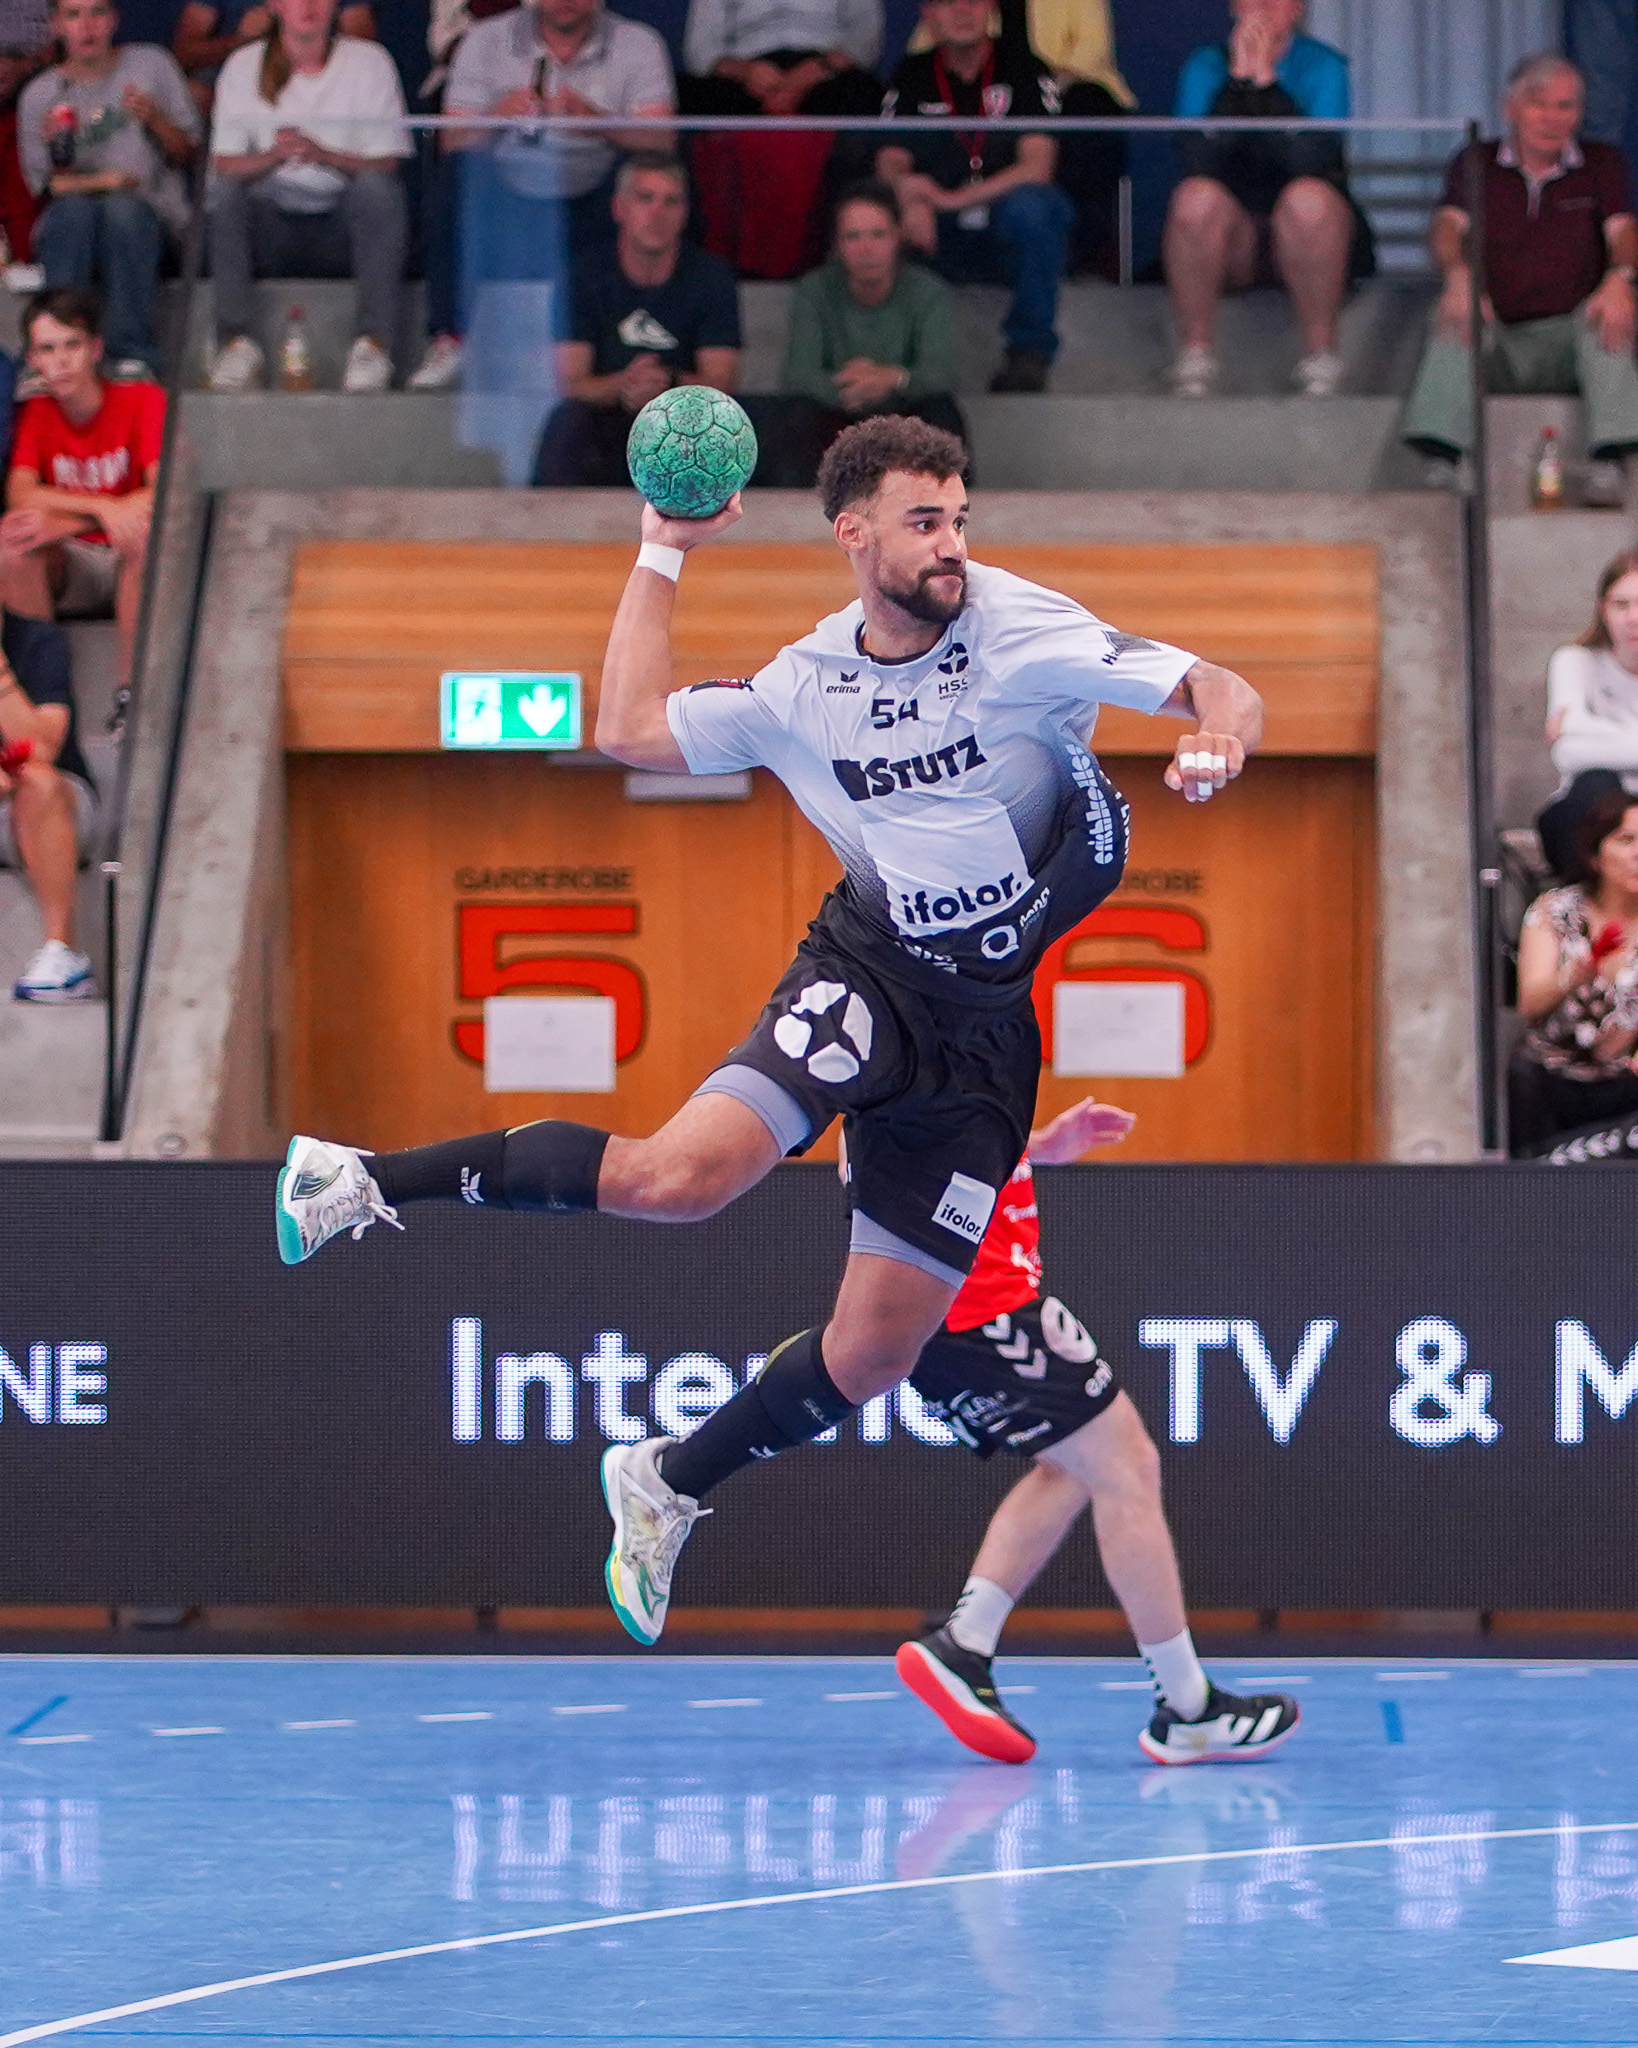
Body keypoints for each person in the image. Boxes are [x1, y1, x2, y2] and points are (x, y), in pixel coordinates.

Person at [274, 412, 1264, 1648]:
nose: (950, 544)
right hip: (866, 971)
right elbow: (626, 727)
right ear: (851, 535)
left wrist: (1221, 733)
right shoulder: (806, 686)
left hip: (984, 1041)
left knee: (875, 1352)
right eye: (922, 521)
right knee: (674, 1180)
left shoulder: (1021, 629)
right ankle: (360, 1177)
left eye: (959, 517)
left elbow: (1217, 682)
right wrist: (662, 549)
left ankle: (668, 1478)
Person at [886, 1095, 1300, 1766]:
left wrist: (1038, 1146)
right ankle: (1189, 1708)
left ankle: (966, 1643)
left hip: (959, 1313)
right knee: (1128, 1465)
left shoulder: (932, 1050)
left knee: (1074, 1467)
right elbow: (909, 1159)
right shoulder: (919, 1041)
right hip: (985, 1307)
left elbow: (946, 1151)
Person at [1402, 55, 1638, 505]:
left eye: (1565, 106)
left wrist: (1620, 278)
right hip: (1500, 338)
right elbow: (1448, 228)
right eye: (1538, 104)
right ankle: (1443, 460)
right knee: (1457, 308)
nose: (1552, 118)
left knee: (1612, 310)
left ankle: (1610, 460)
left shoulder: (1601, 163)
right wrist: (1457, 274)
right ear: (1510, 108)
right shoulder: (1476, 160)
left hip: (1568, 337)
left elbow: (1624, 233)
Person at [414, 0, 674, 394]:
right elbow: (451, 140)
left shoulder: (638, 42)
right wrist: (495, 117)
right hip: (508, 188)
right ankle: (451, 341)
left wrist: (599, 123)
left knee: (655, 183)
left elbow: (663, 139)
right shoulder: (485, 40)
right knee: (454, 179)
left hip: (598, 186)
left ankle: (642, 344)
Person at [206, 0, 412, 395]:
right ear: (276, 6)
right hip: (271, 228)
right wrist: (275, 156)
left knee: (378, 192)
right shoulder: (244, 64)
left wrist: (324, 155)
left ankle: (373, 345)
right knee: (225, 194)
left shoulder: (369, 60)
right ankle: (236, 343)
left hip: (342, 226)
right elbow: (224, 163)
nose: (309, 5)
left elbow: (388, 161)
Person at [1163, 0, 1366, 400]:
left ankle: (1321, 354)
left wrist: (1267, 83)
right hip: (1235, 238)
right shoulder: (1205, 64)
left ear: (1297, 10)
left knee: (1307, 199)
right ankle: (1196, 354)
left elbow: (1308, 160)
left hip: (1310, 233)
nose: (1264, 6)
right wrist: (1238, 82)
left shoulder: (1323, 65)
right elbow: (1196, 160)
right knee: (1194, 198)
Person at [877, 0, 1072, 395]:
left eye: (974, 0)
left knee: (1035, 207)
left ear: (992, 9)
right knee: (873, 210)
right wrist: (911, 199)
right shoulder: (913, 71)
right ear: (927, 15)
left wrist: (947, 199)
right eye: (947, 2)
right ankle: (894, 362)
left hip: (1004, 227)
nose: (962, 11)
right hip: (939, 235)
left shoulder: (1023, 66)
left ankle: (1028, 353)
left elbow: (1038, 166)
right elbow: (890, 161)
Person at [532, 151, 739, 487]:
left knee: (736, 424)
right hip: (605, 417)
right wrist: (624, 385)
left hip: (686, 424)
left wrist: (667, 386)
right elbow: (570, 382)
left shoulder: (711, 277)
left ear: (685, 213)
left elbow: (723, 383)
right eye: (645, 199)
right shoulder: (582, 275)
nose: (657, 213)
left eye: (670, 202)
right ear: (619, 209)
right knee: (567, 423)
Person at [17, 0, 199, 381]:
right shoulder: (41, 94)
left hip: (152, 220)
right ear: (56, 26)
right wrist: (69, 160)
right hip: (76, 226)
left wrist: (154, 119)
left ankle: (132, 354)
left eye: (97, 13)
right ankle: (57, 350)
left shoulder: (151, 65)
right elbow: (48, 187)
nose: (87, 26)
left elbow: (189, 153)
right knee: (73, 213)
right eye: (73, 15)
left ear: (114, 20)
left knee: (123, 211)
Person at [0, 287, 162, 691]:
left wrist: (71, 520)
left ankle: (132, 696)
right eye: (48, 350)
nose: (61, 362)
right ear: (33, 360)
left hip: (131, 554)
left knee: (143, 531)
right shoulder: (36, 411)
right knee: (13, 542)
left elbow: (164, 491)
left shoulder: (142, 399)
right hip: (75, 564)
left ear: (95, 348)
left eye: (72, 345)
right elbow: (20, 493)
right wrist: (104, 510)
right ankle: (42, 697)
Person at [776, 178, 964, 483]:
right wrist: (856, 387)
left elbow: (940, 374)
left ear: (897, 237)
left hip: (904, 415)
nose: (866, 248)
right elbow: (798, 375)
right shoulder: (814, 291)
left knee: (942, 412)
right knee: (793, 416)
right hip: (836, 410)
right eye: (853, 236)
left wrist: (892, 379)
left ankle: (950, 514)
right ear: (838, 244)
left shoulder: (927, 291)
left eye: (878, 235)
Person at [1511, 786, 1638, 1155]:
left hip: (1625, 1082)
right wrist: (1571, 978)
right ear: (1596, 854)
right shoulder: (1555, 910)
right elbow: (1530, 1004)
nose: (1637, 854)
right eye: (1626, 840)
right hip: (1551, 1080)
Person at [0, 608, 96, 1002]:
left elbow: (42, 748)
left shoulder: (39, 642)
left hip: (56, 801)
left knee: (38, 780)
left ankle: (63, 954)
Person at [1536, 550, 1638, 880]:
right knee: (1596, 786)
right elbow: (1568, 755)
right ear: (1602, 608)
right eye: (1621, 605)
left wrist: (1581, 727)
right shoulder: (1576, 660)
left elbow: (1572, 736)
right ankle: (1586, 915)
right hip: (1590, 810)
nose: (1633, 617)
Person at [678, 0, 881, 118]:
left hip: (823, 70)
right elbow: (699, 50)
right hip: (748, 73)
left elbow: (866, 37)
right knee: (691, 93)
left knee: (864, 92)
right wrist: (745, 71)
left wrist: (822, 68)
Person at [172, 0, 373, 114]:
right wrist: (239, 40)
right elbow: (184, 54)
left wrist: (309, 33)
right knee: (194, 93)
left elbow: (363, 47)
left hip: (320, 71)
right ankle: (214, 181)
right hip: (237, 76)